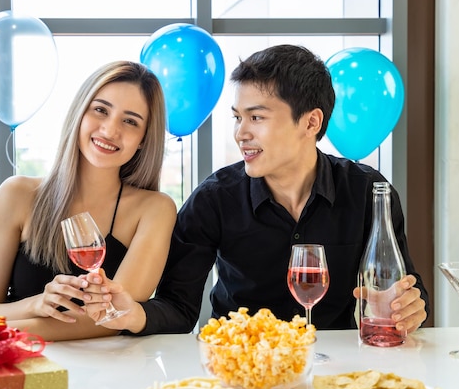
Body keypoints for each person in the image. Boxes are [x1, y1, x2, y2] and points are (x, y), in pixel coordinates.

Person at [84, 44, 429, 336]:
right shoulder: (215, 198)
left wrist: (410, 308)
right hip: (238, 367)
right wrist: (136, 314)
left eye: (257, 118)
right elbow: (178, 307)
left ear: (311, 122)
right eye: (238, 117)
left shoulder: (369, 191)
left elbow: (406, 290)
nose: (240, 133)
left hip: (331, 369)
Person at [0, 60, 177, 349]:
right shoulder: (17, 194)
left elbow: (111, 321)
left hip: (107, 373)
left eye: (130, 121)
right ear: (80, 113)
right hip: (21, 367)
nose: (110, 130)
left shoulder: (155, 210)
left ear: (145, 139)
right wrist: (36, 304)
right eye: (101, 110)